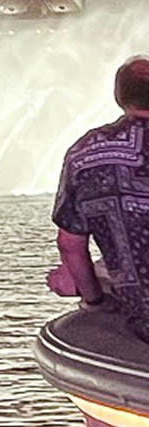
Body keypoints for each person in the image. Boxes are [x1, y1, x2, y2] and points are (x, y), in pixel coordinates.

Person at [53, 56, 149, 333]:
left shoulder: (86, 153)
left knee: (94, 270)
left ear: (120, 96)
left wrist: (92, 299)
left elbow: (70, 245)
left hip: (141, 315)